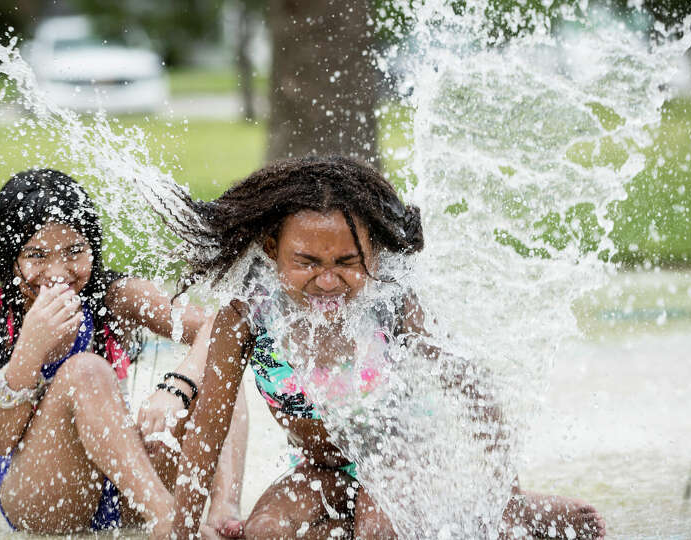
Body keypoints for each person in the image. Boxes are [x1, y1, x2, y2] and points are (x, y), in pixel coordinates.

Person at [162, 155, 607, 539]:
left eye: (348, 262)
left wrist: (505, 490)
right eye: (307, 262)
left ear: (374, 253)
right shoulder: (247, 317)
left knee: (377, 532)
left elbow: (469, 382)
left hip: (399, 463)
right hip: (322, 469)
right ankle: (464, 522)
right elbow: (206, 434)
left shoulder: (389, 303)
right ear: (272, 247)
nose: (328, 280)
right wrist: (182, 532)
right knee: (266, 532)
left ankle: (505, 515)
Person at [0, 169, 248, 539]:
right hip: (46, 494)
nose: (58, 272)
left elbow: (226, 327)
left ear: (92, 245)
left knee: (218, 366)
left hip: (129, 483)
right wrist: (29, 349)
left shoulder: (116, 296)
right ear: (8, 256)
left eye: (74, 251)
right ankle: (167, 519)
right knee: (85, 371)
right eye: (37, 255)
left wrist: (181, 382)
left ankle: (225, 512)